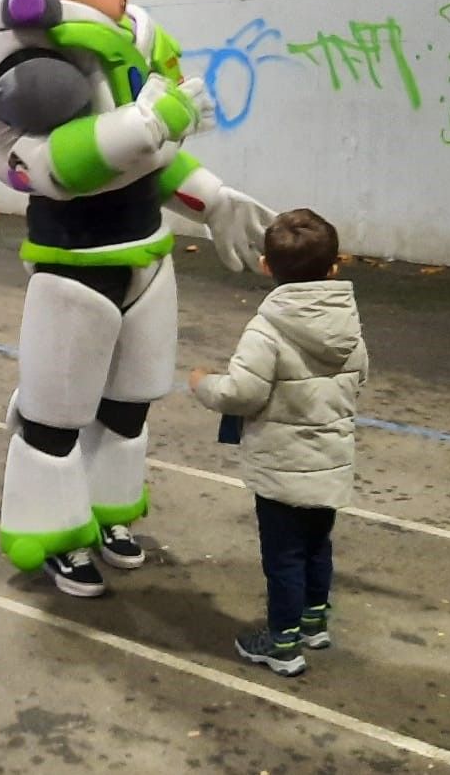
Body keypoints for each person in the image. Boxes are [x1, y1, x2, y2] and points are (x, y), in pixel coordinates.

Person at [0, 0, 276, 597]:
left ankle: (108, 510)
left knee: (130, 402)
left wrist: (212, 200)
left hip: (145, 253)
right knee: (55, 414)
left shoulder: (134, 35)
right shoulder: (24, 40)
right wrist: (149, 120)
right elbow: (37, 163)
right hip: (71, 260)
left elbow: (154, 158)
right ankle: (50, 531)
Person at [189, 209, 367, 676]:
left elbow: (242, 393)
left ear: (266, 266)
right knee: (316, 545)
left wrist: (205, 384)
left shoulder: (266, 328)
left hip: (282, 465)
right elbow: (359, 375)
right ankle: (314, 621)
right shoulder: (347, 321)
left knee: (283, 556)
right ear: (335, 265)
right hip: (330, 458)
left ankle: (282, 643)